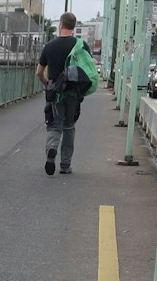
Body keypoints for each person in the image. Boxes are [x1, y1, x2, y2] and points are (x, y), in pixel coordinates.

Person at [37, 12, 95, 176]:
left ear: (61, 24)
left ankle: (51, 150)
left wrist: (47, 83)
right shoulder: (81, 45)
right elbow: (88, 68)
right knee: (69, 126)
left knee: (55, 125)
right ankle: (65, 165)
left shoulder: (49, 46)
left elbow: (39, 72)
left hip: (55, 91)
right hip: (73, 92)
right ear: (73, 26)